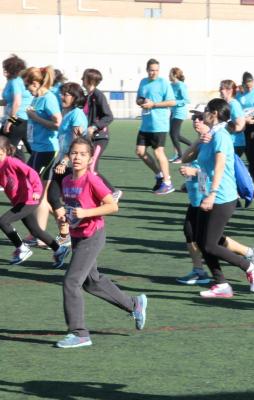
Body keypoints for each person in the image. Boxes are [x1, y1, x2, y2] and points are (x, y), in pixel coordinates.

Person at [54, 137, 147, 348]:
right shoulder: (68, 180)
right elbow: (74, 208)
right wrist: (67, 218)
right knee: (91, 281)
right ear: (68, 156)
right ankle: (134, 304)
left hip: (92, 236)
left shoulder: (92, 180)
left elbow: (112, 206)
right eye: (74, 153)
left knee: (71, 282)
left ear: (89, 159)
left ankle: (79, 333)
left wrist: (87, 212)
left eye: (82, 154)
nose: (77, 157)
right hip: (78, 235)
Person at [179, 98, 254, 298]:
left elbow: (219, 166)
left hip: (221, 197)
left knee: (209, 244)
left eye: (205, 111)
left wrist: (213, 194)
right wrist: (200, 140)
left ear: (214, 113)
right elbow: (186, 158)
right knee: (201, 240)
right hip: (209, 195)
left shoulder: (222, 137)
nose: (199, 117)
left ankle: (250, 266)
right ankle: (221, 285)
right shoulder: (210, 136)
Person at [0, 136, 68, 267]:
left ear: (6, 151)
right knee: (36, 231)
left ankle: (22, 249)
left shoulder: (11, 162)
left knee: (3, 221)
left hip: (29, 199)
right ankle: (59, 250)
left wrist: (37, 190)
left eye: (0, 154)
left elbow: (32, 173)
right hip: (19, 202)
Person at [23, 66, 62, 244]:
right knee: (35, 191)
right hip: (37, 148)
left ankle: (40, 235)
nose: (26, 89)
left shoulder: (49, 98)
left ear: (36, 83)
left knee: (38, 192)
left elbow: (57, 123)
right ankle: (64, 224)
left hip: (48, 149)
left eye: (28, 85)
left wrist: (35, 117)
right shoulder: (36, 97)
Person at [47, 82, 89, 248]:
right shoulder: (67, 112)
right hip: (62, 161)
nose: (62, 97)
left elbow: (76, 142)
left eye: (66, 94)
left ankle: (72, 234)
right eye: (62, 93)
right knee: (53, 196)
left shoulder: (77, 114)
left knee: (69, 200)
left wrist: (64, 161)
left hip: (71, 164)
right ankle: (65, 234)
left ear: (75, 97)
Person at [135, 58, 176, 195]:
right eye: (151, 70)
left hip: (159, 124)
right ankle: (159, 175)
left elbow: (172, 102)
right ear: (147, 70)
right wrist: (143, 101)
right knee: (140, 151)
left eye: (156, 70)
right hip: (146, 124)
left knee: (158, 152)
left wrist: (154, 104)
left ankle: (168, 182)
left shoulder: (163, 83)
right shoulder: (143, 82)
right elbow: (138, 99)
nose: (154, 73)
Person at [80, 68, 120, 201]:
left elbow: (109, 116)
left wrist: (95, 127)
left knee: (91, 168)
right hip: (90, 139)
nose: (81, 79)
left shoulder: (98, 95)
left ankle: (113, 191)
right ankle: (94, 193)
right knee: (87, 167)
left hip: (100, 138)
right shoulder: (87, 97)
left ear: (90, 80)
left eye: (84, 77)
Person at [1, 54, 33, 161]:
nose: (4, 71)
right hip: (23, 120)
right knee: (24, 148)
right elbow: (8, 101)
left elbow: (17, 102)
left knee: (7, 146)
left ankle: (18, 169)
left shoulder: (15, 81)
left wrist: (10, 121)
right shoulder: (15, 81)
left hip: (17, 120)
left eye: (6, 68)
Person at [168, 67, 192, 163]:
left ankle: (180, 156)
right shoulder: (170, 85)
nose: (168, 76)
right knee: (175, 135)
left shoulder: (181, 86)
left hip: (180, 112)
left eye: (170, 74)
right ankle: (192, 145)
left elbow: (186, 100)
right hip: (173, 112)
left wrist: (175, 102)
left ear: (174, 75)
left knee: (174, 134)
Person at [218, 80, 246, 156]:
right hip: (227, 141)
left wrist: (223, 129)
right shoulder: (225, 104)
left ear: (230, 90)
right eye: (220, 88)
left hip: (235, 143)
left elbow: (241, 126)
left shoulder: (234, 105)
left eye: (222, 88)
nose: (220, 90)